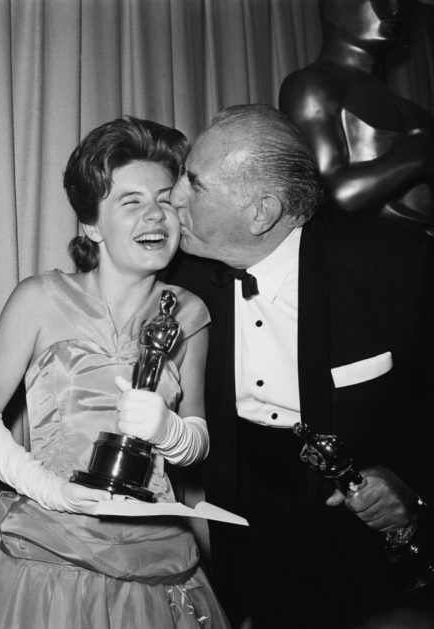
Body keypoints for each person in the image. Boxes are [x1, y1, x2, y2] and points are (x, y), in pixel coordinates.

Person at [0, 116, 230, 629]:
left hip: (159, 568)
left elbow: (200, 437)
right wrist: (50, 488)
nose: (156, 215)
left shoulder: (191, 312)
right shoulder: (39, 298)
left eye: (167, 199)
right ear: (91, 225)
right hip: (52, 563)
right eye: (132, 202)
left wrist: (171, 434)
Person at [168, 103, 434, 629]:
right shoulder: (178, 274)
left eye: (193, 184)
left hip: (360, 532)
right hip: (243, 514)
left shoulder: (397, 267)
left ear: (261, 212)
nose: (173, 197)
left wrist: (412, 484)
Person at [278, 0, 434, 233]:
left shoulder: (411, 109)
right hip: (375, 255)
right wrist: (416, 155)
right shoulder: (312, 85)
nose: (394, 11)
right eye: (379, 2)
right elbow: (331, 195)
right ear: (335, 8)